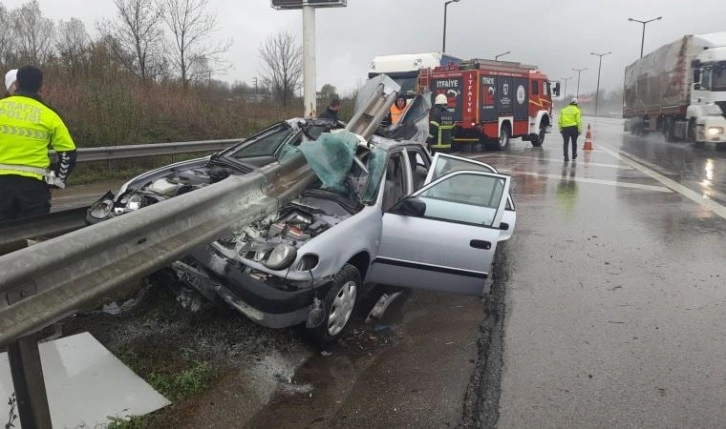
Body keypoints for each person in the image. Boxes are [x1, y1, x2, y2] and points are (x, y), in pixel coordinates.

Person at [0, 65, 77, 221]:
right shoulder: (50, 115)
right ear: (41, 86)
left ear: (17, 84)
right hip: (33, 189)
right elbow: (68, 153)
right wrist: (57, 180)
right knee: (34, 237)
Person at [558, 97, 582, 162]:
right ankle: (574, 155)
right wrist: (579, 130)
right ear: (576, 104)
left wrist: (560, 129)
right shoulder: (577, 110)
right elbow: (579, 121)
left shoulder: (563, 110)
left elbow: (559, 120)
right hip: (574, 128)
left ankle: (566, 157)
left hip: (565, 128)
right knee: (574, 142)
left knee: (566, 143)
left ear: (570, 103)